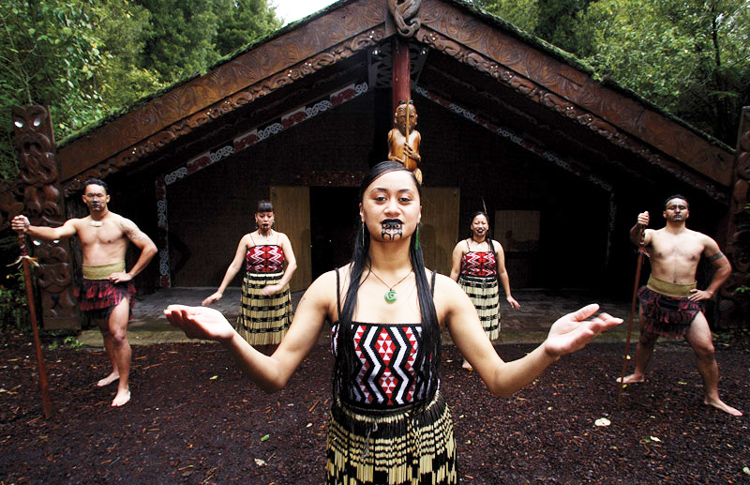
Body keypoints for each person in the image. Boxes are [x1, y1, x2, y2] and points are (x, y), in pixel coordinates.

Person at [165, 161, 621, 485]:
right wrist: (229, 338)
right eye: (379, 197)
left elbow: (499, 381)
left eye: (406, 198)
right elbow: (275, 376)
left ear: (420, 213)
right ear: (362, 211)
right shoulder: (330, 288)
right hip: (352, 449)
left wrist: (548, 349)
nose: (392, 207)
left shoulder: (444, 291)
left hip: (426, 450)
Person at [12, 179, 157, 407]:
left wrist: (130, 274)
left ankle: (124, 387)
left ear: (107, 198)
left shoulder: (122, 223)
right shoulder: (78, 224)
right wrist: (29, 228)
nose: (96, 199)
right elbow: (54, 233)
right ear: (84, 199)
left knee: (118, 335)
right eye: (91, 195)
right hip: (91, 285)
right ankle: (115, 371)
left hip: (115, 285)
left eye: (100, 195)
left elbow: (150, 247)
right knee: (106, 333)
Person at [618, 195, 742, 417]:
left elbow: (724, 267)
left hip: (686, 300)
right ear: (665, 213)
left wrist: (710, 292)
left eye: (681, 207)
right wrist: (639, 225)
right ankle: (638, 373)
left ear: (688, 213)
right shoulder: (654, 235)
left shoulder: (702, 240)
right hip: (655, 296)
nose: (677, 210)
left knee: (706, 348)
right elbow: (637, 240)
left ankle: (712, 397)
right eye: (672, 207)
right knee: (646, 338)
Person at [202, 200, 296, 353]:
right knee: (254, 331)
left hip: (278, 291)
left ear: (273, 218)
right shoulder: (247, 239)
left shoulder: (281, 238)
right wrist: (220, 291)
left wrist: (280, 285)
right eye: (262, 216)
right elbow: (234, 266)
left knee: (277, 330)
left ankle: (275, 363)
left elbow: (293, 264)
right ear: (256, 218)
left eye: (269, 216)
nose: (265, 219)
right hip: (254, 290)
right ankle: (257, 363)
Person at [450, 211, 520, 370]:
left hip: (489, 291)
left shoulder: (496, 246)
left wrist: (508, 295)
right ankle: (467, 358)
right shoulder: (463, 245)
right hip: (468, 290)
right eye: (477, 223)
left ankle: (484, 358)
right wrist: (450, 292)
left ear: (488, 226)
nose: (480, 226)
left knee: (487, 324)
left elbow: (502, 271)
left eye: (483, 223)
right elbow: (455, 271)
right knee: (468, 323)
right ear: (471, 226)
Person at [387, 100, 422, 184]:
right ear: (396, 119)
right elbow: (389, 154)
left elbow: (419, 158)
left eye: (411, 117)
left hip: (413, 172)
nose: (407, 121)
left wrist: (415, 156)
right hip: (397, 172)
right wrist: (392, 159)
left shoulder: (416, 135)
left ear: (416, 119)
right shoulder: (393, 133)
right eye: (403, 117)